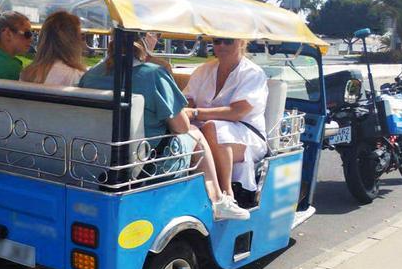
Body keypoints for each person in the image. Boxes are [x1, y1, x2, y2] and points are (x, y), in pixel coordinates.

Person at [79, 38, 250, 220]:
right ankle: (217, 199)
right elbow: (181, 126)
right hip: (151, 162)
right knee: (195, 132)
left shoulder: (90, 76)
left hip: (97, 157)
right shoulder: (153, 75)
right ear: (145, 45)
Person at [183, 38, 268, 203]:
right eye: (217, 41)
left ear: (242, 43)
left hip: (248, 133)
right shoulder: (204, 70)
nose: (221, 45)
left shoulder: (253, 73)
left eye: (228, 41)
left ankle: (225, 194)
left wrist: (194, 113)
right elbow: (187, 99)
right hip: (205, 129)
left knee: (213, 127)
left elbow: (237, 112)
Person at [20, 11, 86, 86]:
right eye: (81, 36)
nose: (82, 42)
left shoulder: (26, 74)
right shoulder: (76, 76)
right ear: (73, 41)